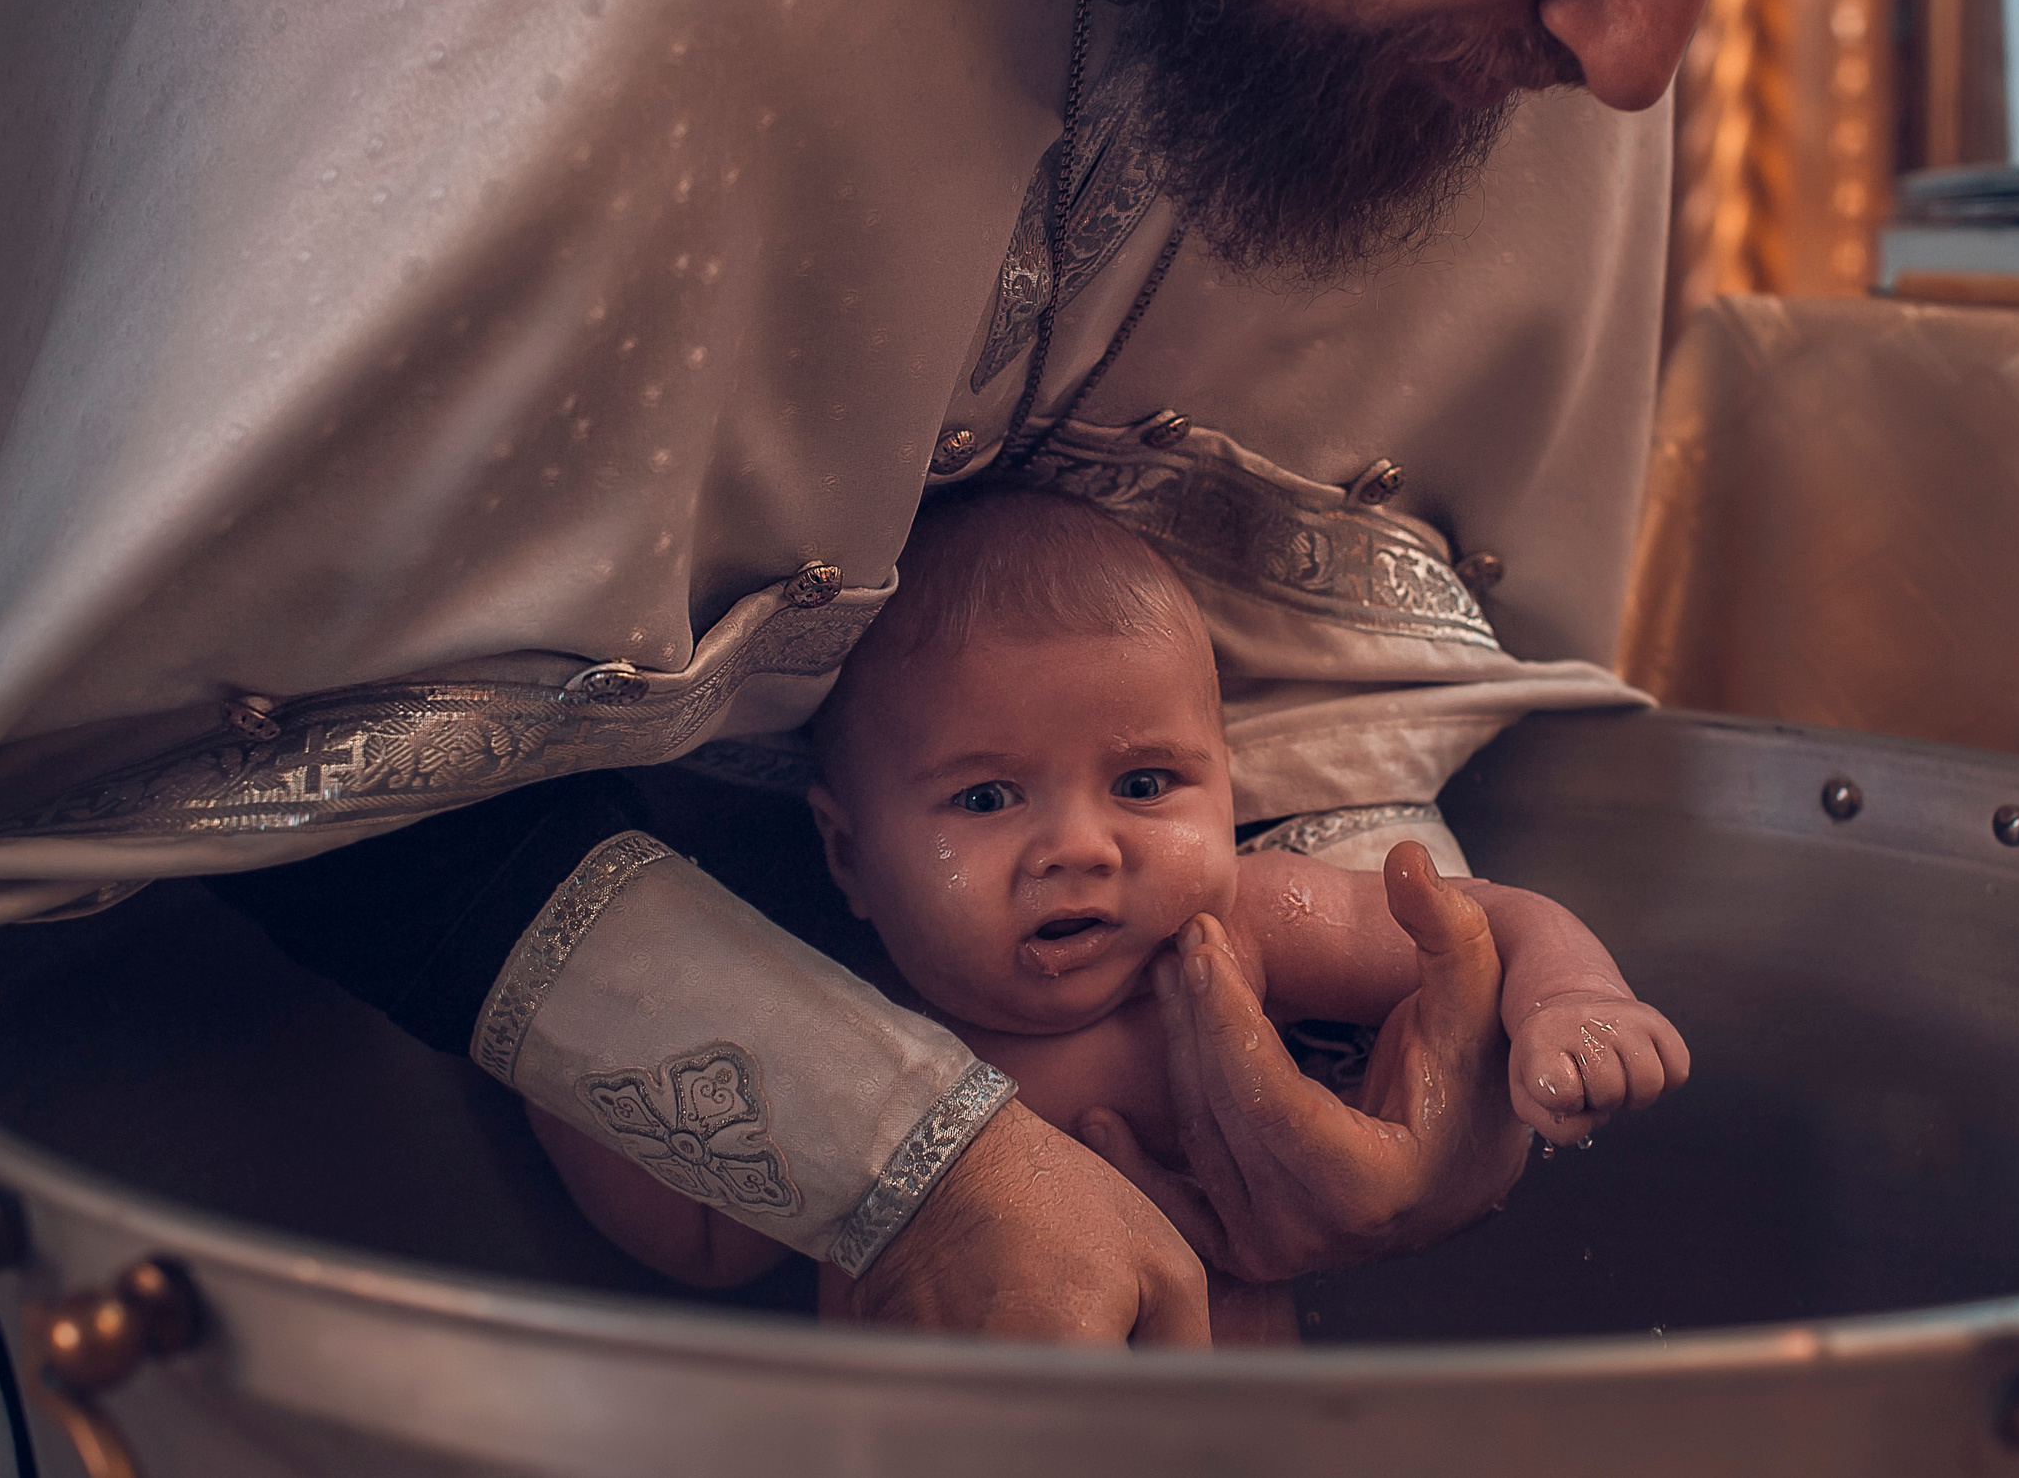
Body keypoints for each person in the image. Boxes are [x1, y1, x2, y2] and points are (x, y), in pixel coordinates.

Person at [0, 0, 1913, 1341]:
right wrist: (889, 1149)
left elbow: (1313, 599)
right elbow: (256, 690)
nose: (1643, 58)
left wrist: (1414, 1025)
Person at [526, 492, 1691, 1341]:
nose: (1083, 845)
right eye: (986, 797)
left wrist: (1571, 996)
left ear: (1228, 780)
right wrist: (554, 1041)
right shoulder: (847, 1038)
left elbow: (1478, 927)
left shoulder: (1246, 934)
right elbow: (700, 1235)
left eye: (1145, 783)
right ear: (850, 855)